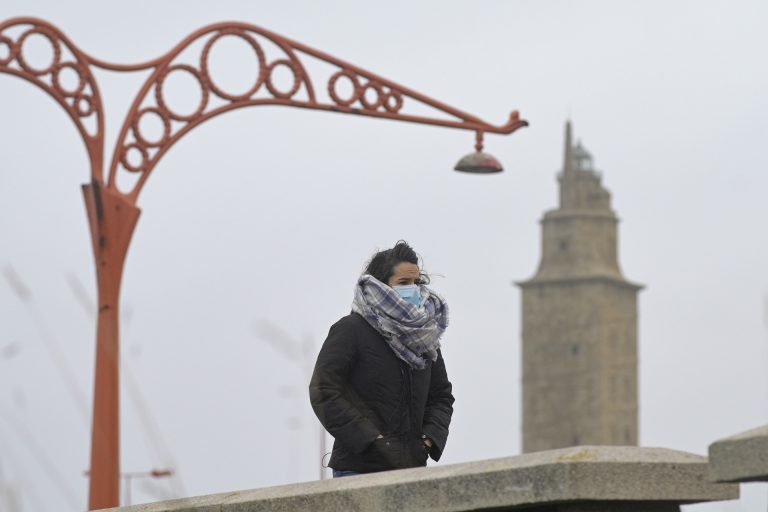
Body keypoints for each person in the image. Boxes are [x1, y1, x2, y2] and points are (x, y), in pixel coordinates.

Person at [309, 241, 454, 478]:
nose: (414, 289)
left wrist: (428, 440)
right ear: (380, 284)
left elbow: (441, 396)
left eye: (417, 282)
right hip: (357, 469)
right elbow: (323, 390)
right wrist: (371, 439)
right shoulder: (351, 329)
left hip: (412, 471)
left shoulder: (425, 340)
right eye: (404, 283)